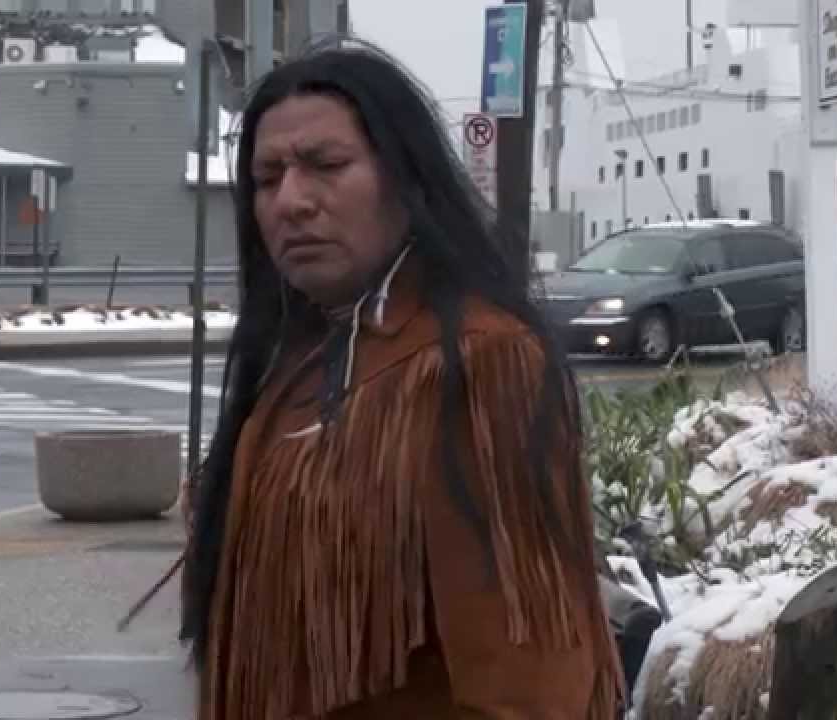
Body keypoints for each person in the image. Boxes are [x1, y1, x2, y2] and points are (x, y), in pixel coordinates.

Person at [180, 42, 623, 719]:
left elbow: (527, 679)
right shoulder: (296, 354)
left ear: (407, 180)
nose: (291, 201)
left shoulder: (480, 364)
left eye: (327, 166)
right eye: (267, 178)